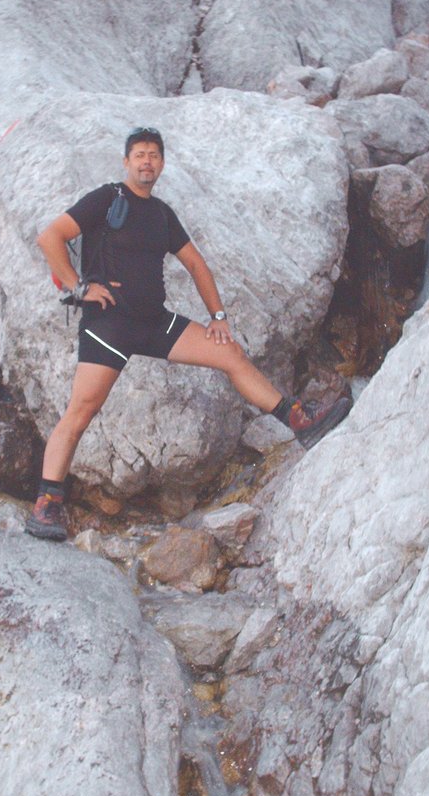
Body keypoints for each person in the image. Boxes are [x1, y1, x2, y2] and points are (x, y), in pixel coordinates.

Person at [26, 127, 351, 541]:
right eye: (139, 155)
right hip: (109, 325)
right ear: (126, 162)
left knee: (230, 353)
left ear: (162, 164)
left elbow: (196, 264)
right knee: (81, 411)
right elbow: (50, 237)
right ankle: (47, 505)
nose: (146, 161)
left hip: (154, 323)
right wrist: (78, 287)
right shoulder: (106, 199)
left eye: (153, 155)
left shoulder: (162, 214)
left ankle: (299, 421)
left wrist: (218, 316)